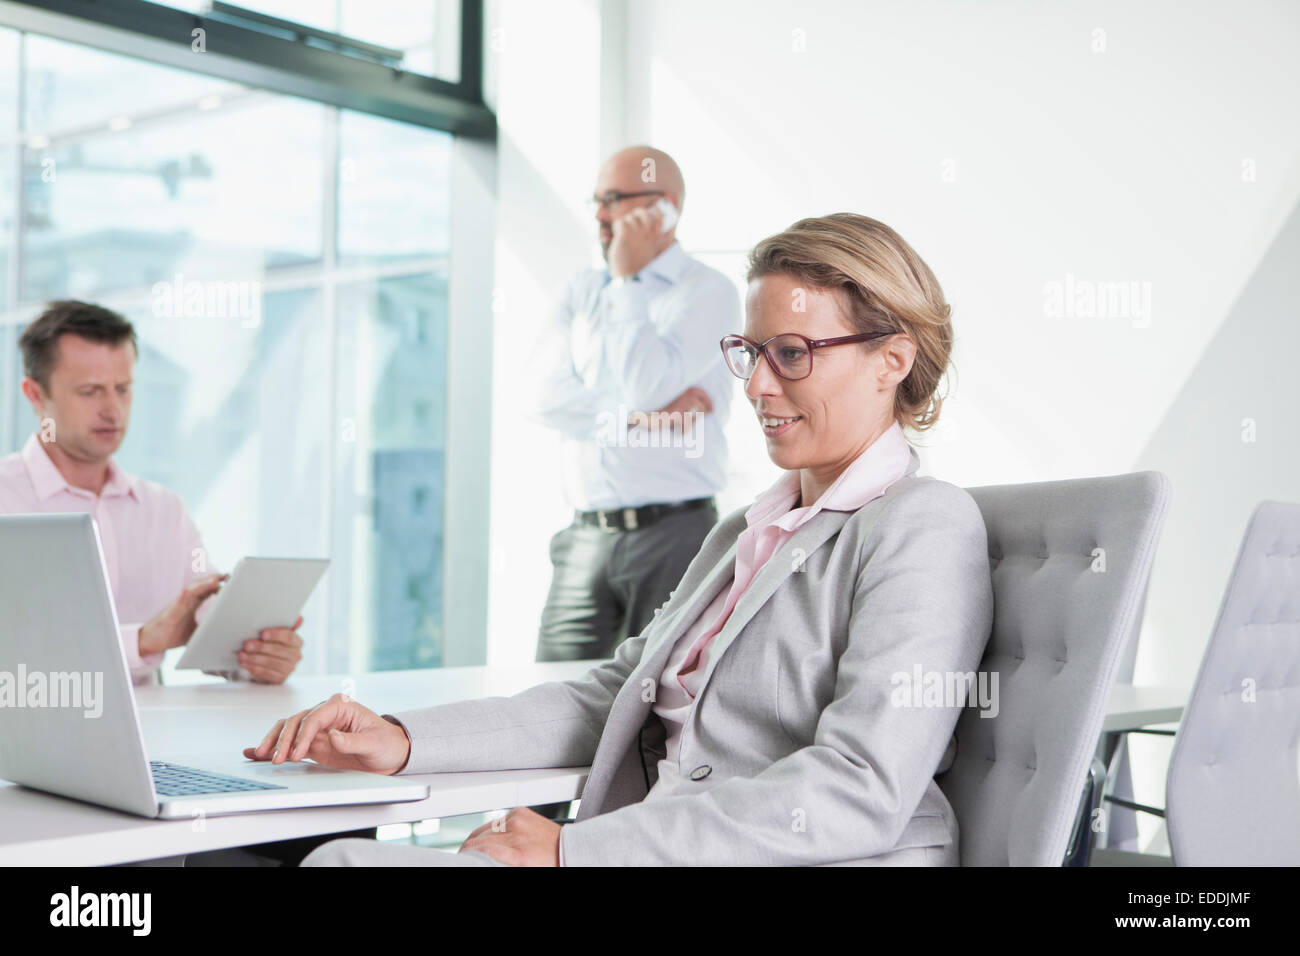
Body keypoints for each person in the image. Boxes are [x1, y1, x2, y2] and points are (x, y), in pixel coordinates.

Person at [248, 213, 994, 866]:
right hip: (637, 850)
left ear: (891, 361)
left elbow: (861, 786)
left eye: (792, 354)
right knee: (341, 857)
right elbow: (616, 696)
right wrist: (402, 739)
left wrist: (577, 850)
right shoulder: (748, 527)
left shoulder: (921, 525)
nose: (758, 387)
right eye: (751, 352)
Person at [0, 300, 304, 685]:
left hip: (153, 740)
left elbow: (212, 625)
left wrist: (258, 656)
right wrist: (141, 641)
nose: (113, 410)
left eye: (123, 389)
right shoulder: (6, 501)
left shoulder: (163, 510)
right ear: (35, 394)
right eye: (90, 391)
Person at [527, 145, 740, 664]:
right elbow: (542, 398)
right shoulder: (580, 290)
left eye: (615, 200)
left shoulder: (708, 291)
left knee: (655, 697)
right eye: (597, 201)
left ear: (665, 206)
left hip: (674, 535)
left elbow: (647, 382)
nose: (601, 215)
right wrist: (637, 420)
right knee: (551, 690)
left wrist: (628, 283)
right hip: (585, 537)